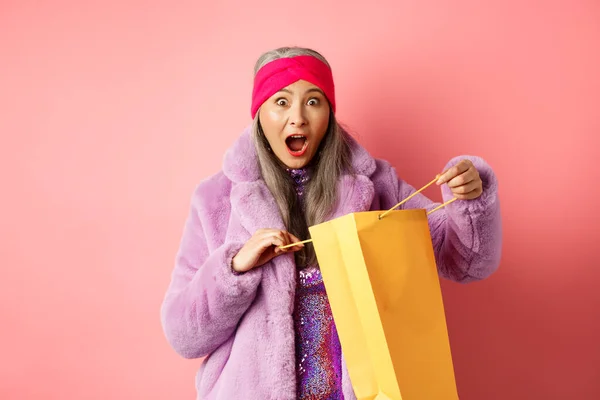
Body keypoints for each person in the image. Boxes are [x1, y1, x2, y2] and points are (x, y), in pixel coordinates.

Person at [160, 46, 502, 400]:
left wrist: (469, 199)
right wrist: (234, 269)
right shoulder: (215, 199)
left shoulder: (376, 185)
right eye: (281, 102)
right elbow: (183, 335)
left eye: (312, 101)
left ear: (329, 111)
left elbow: (465, 262)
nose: (298, 118)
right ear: (259, 112)